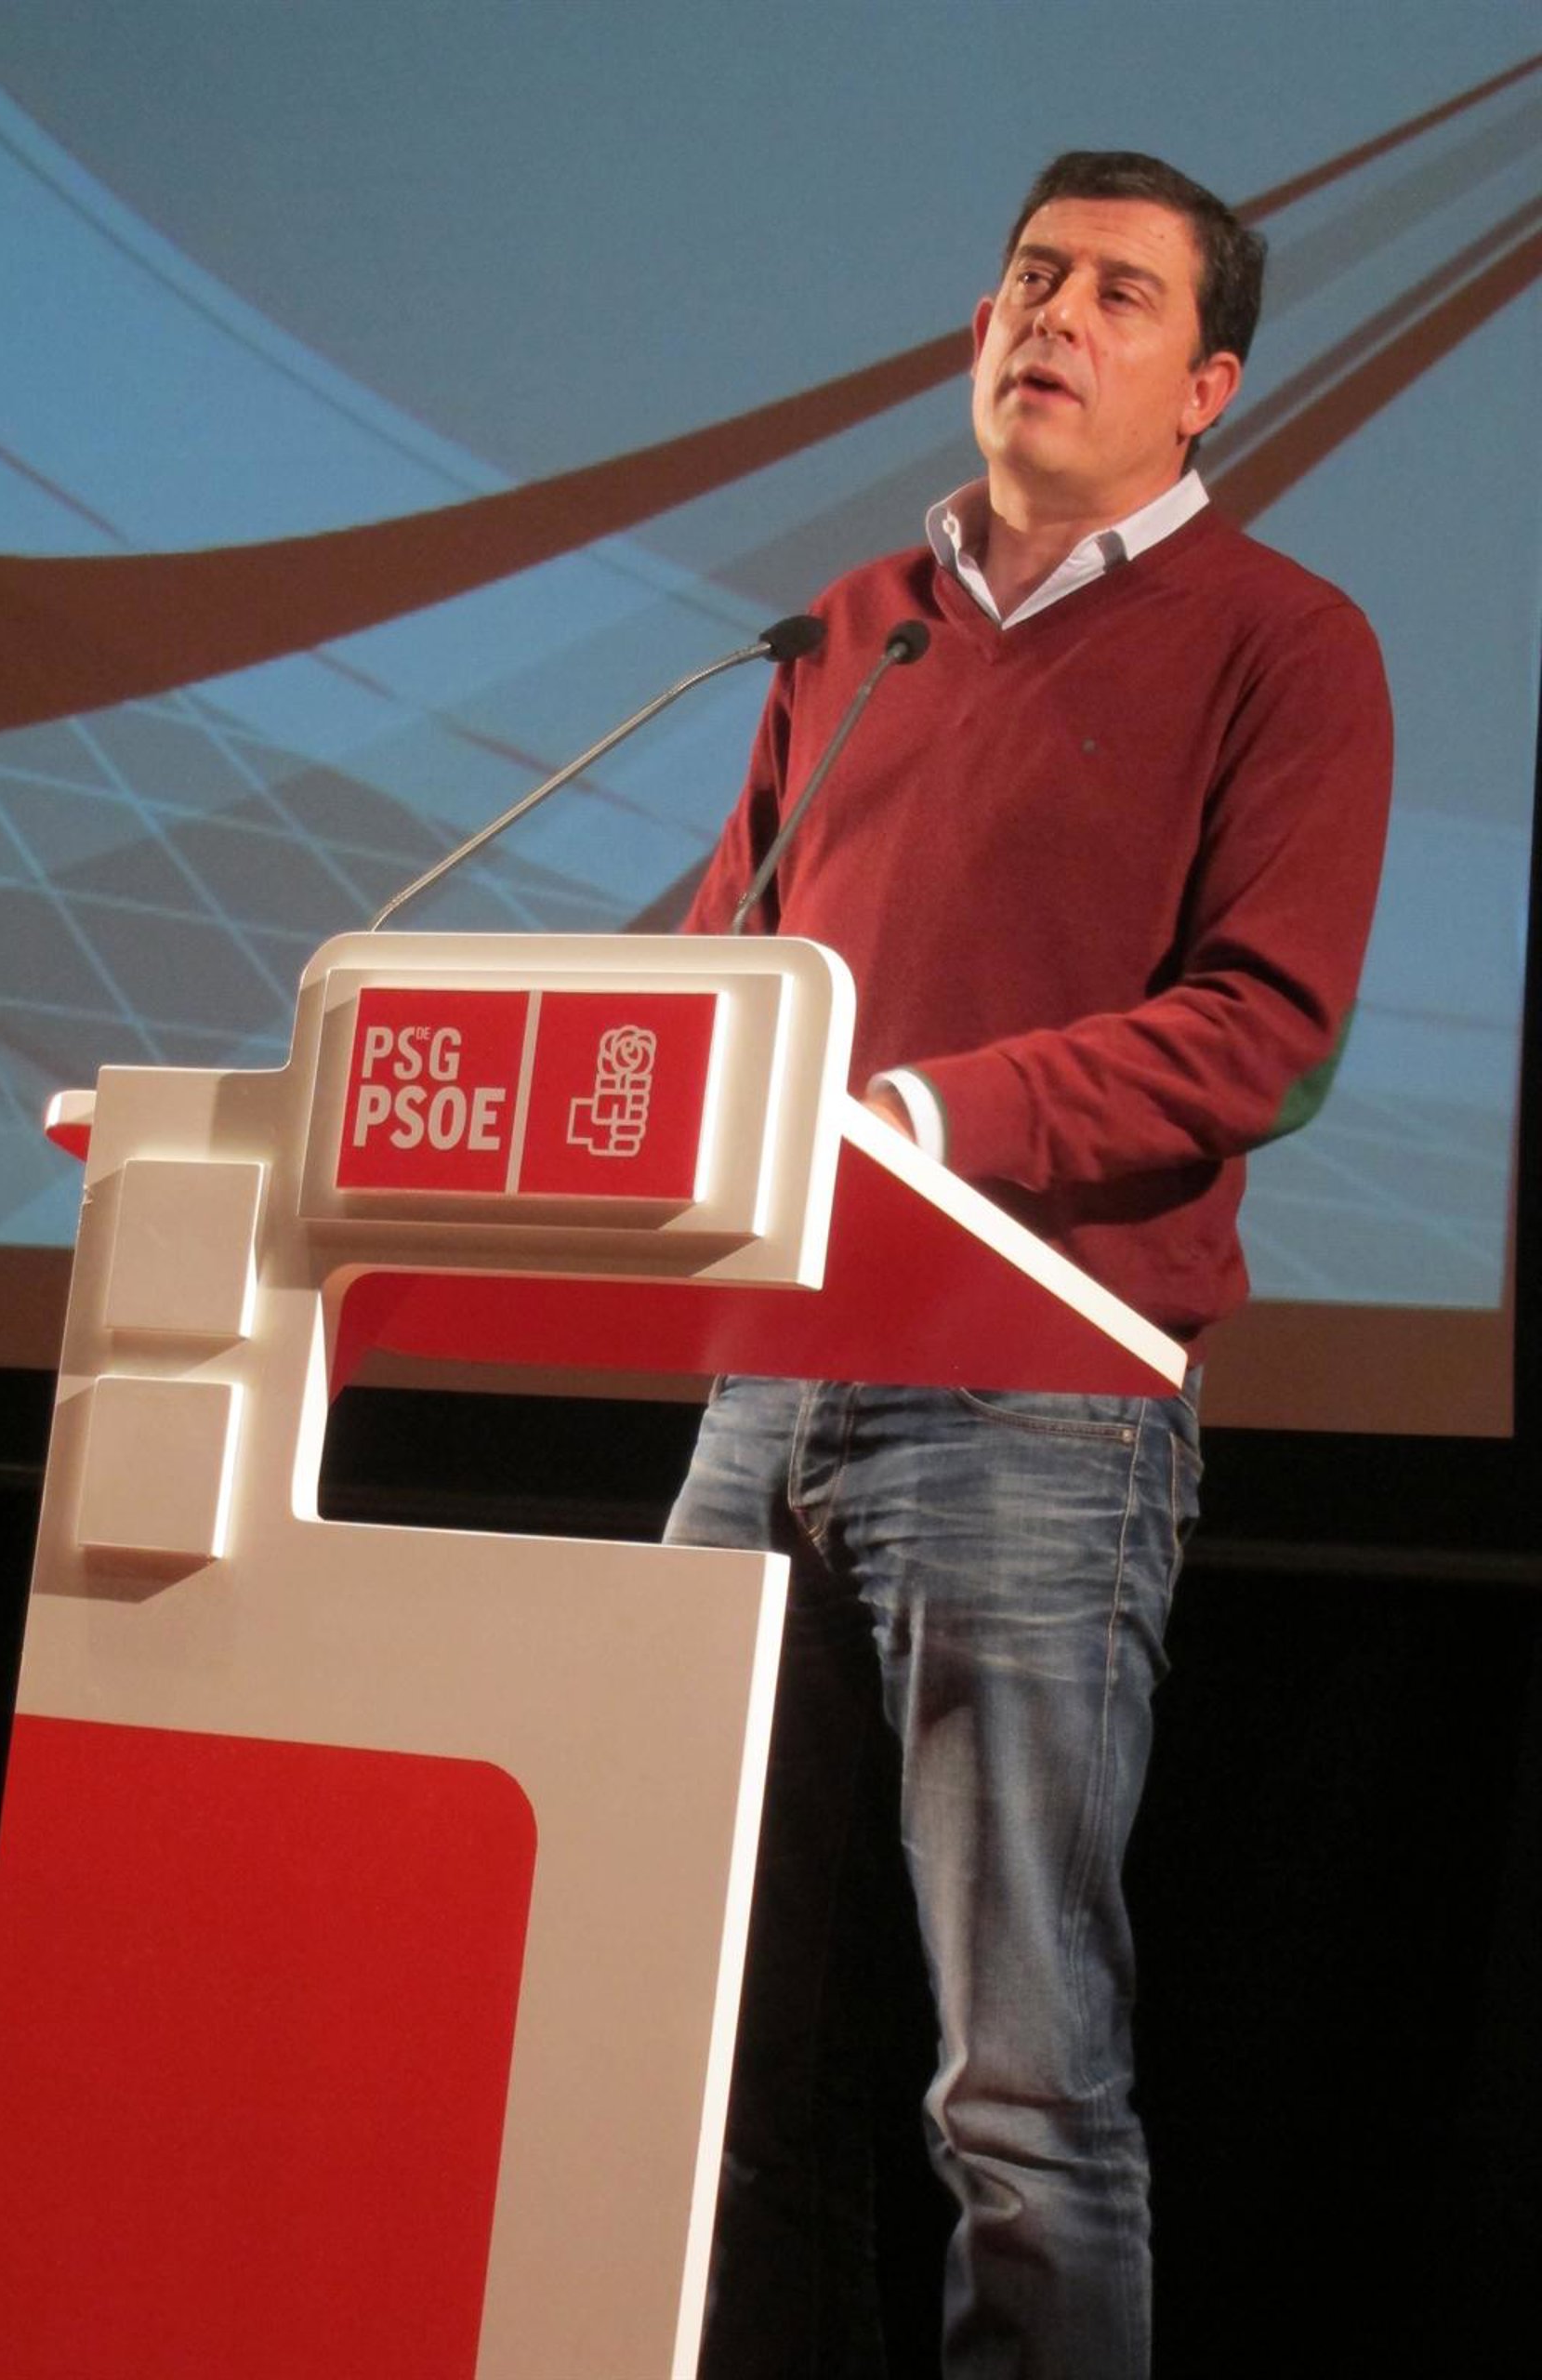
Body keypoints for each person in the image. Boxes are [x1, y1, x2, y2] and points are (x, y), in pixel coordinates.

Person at [667, 152, 1392, 2379]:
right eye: (1028, 278)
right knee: (689, 2042)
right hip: (767, 1387)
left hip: (1041, 1402)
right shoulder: (858, 624)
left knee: (1020, 2089)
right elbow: (725, 962)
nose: (1051, 317)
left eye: (1116, 294)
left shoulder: (1284, 641)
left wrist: (930, 1116)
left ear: (1209, 385)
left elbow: (1266, 1033)